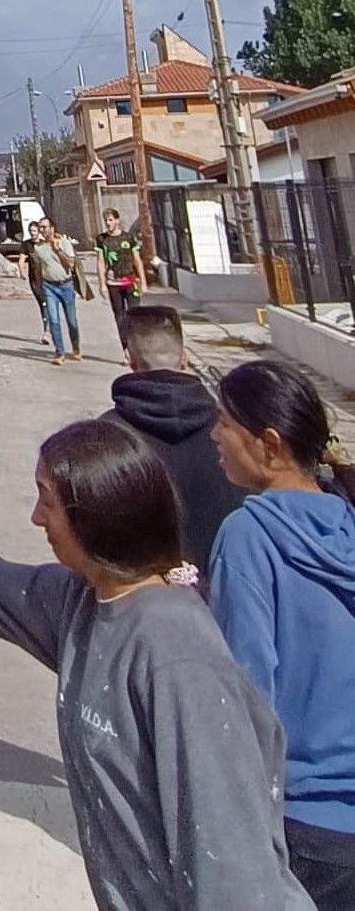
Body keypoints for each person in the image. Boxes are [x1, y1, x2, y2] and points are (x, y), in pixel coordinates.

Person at [0, 418, 317, 911]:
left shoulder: (175, 655)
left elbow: (230, 858)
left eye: (47, 501)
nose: (36, 518)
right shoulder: (79, 604)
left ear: (94, 519)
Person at [209, 359, 355, 908]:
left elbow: (247, 694)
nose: (215, 436)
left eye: (224, 423)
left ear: (268, 443)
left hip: (304, 822)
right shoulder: (345, 520)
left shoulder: (250, 535)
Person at [101, 305, 247, 579]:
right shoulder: (237, 431)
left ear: (129, 359)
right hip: (231, 596)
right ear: (185, 357)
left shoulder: (105, 437)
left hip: (143, 605)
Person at [29, 219, 80, 365]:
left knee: (71, 321)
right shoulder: (38, 248)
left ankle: (76, 347)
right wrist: (39, 287)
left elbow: (71, 263)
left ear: (52, 228)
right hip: (49, 286)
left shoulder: (63, 242)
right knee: (53, 320)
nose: (42, 230)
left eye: (45, 227)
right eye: (40, 228)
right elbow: (38, 269)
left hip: (66, 284)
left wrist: (57, 249)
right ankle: (59, 352)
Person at [95, 209, 146, 345]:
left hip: (130, 282)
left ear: (117, 220)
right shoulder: (101, 239)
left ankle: (136, 345)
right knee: (120, 317)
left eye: (110, 220)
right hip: (113, 284)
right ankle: (126, 349)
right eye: (106, 220)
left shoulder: (128, 238)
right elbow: (101, 262)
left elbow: (137, 260)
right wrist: (102, 285)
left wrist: (143, 281)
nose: (108, 223)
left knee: (134, 315)